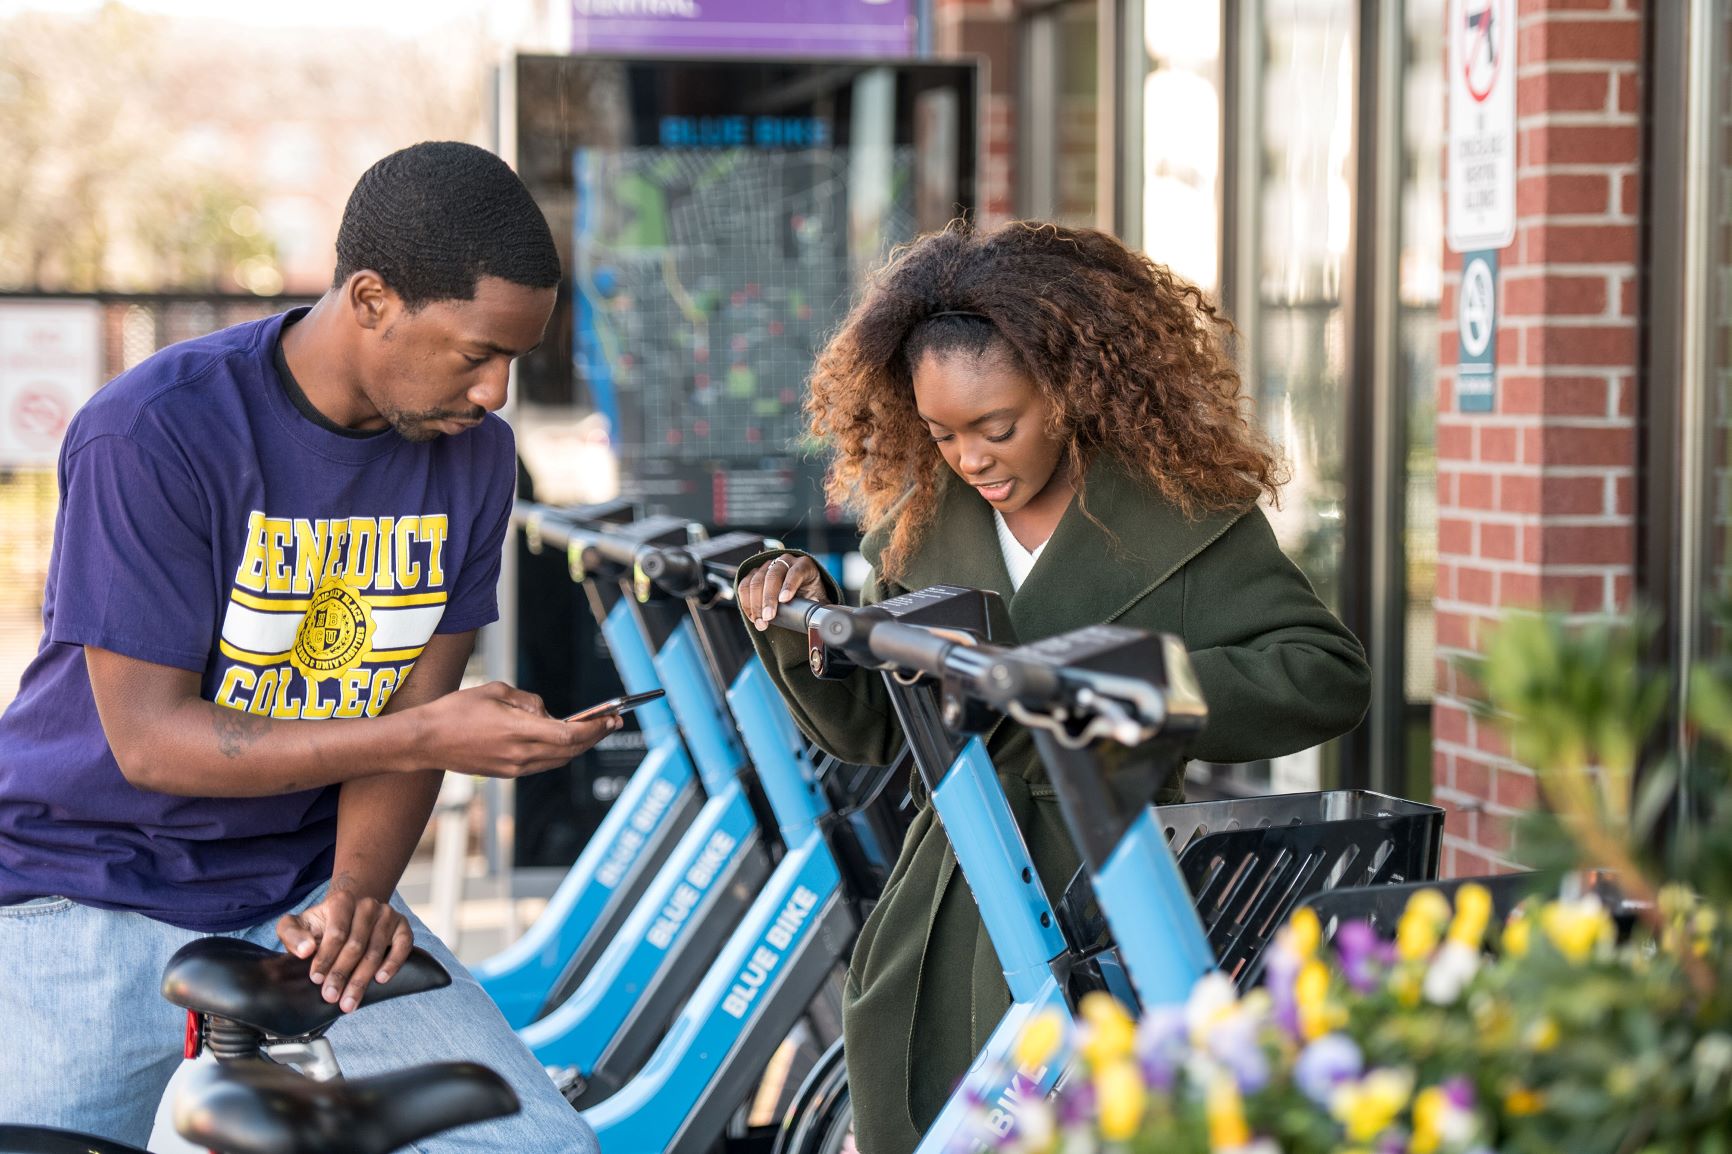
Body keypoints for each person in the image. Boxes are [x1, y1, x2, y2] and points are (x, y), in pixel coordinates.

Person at [0, 142, 606, 1152]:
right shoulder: (152, 431)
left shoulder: (477, 456)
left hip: (300, 890)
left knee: (537, 1144)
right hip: (84, 876)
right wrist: (425, 734)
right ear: (371, 298)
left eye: (516, 358)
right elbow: (153, 743)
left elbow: (416, 711)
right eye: (475, 353)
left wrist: (358, 892)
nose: (497, 391)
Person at [736, 219, 1372, 1154]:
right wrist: (808, 620)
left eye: (998, 427)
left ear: (1070, 394)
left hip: (1117, 886)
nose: (972, 459)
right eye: (942, 432)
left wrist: (1134, 690)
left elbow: (1326, 675)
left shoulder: (1181, 517)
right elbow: (875, 730)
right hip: (945, 902)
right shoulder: (919, 528)